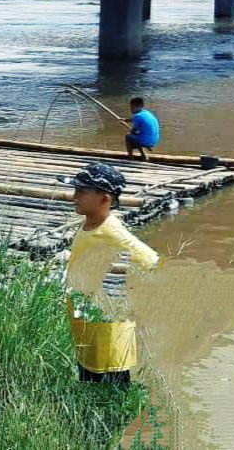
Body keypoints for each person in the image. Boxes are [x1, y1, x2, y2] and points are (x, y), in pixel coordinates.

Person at [62, 163, 159, 386]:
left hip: (108, 323)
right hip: (88, 314)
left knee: (111, 383)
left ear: (104, 200)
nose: (74, 196)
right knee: (89, 377)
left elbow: (151, 261)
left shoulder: (112, 231)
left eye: (82, 191)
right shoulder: (91, 224)